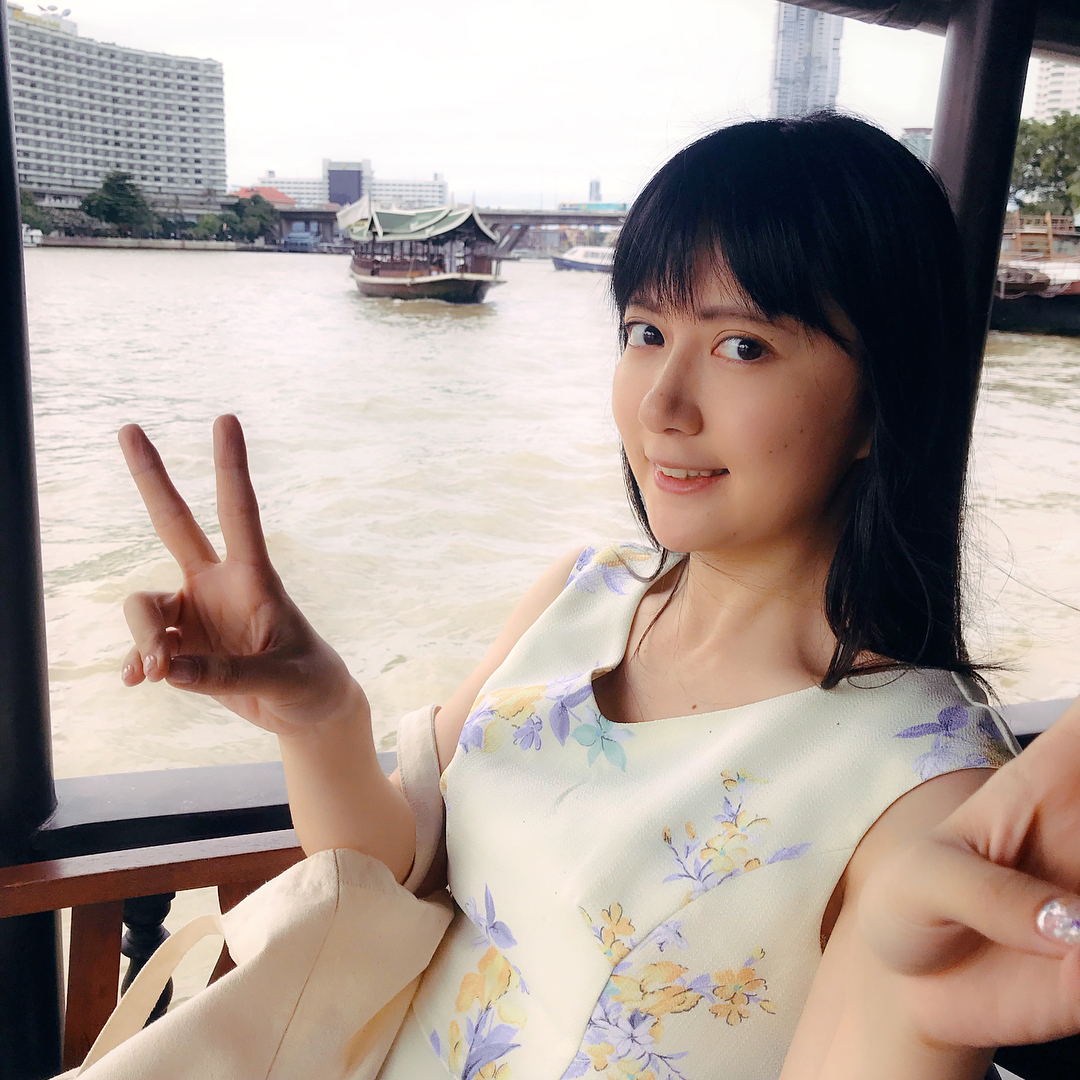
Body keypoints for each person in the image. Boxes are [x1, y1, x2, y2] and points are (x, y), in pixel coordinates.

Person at [117, 113, 1079, 1080]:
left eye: (743, 347)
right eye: (646, 332)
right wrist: (320, 717)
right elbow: (397, 872)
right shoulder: (583, 595)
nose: (660, 403)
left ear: (882, 399)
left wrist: (918, 1030)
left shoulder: (925, 782)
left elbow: (888, 1025)